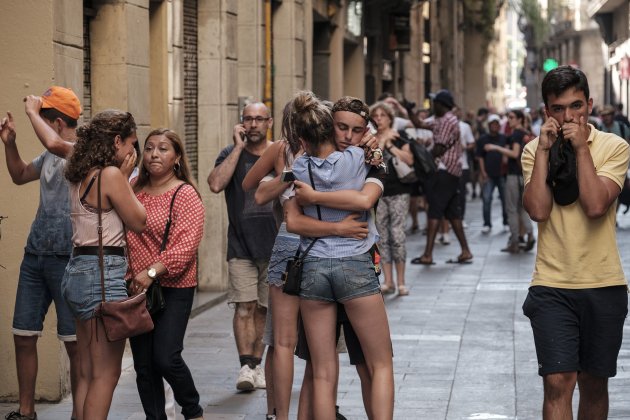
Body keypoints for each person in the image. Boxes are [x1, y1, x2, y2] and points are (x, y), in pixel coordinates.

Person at [241, 96, 381, 420]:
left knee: (286, 344)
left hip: (293, 246)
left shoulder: (283, 150)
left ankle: (281, 416)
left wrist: (287, 175)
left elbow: (253, 187)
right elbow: (259, 191)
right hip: (315, 248)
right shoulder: (336, 153)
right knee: (318, 352)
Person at [522, 65, 630, 419]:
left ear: (590, 105)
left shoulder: (614, 146)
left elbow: (596, 205)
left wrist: (582, 149)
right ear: (546, 111)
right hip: (551, 284)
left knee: (594, 383)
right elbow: (538, 210)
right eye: (558, 108)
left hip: (604, 284)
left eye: (577, 106)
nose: (569, 116)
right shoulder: (533, 151)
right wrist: (543, 151)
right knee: (558, 380)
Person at [285, 90, 394, 420]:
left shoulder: (299, 166)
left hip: (314, 267)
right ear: (329, 127)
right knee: (382, 364)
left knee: (322, 372)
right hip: (354, 265)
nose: (348, 136)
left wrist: (315, 196)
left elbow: (291, 216)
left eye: (356, 130)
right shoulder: (361, 159)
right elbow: (364, 200)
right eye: (341, 128)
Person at [0, 86, 82, 420]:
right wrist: (10, 144)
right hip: (36, 255)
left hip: (68, 258)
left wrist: (32, 112)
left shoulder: (78, 150)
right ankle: (26, 411)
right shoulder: (49, 155)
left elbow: (53, 144)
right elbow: (20, 175)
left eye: (45, 117)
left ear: (57, 122)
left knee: (74, 344)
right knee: (23, 334)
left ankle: (81, 412)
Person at [61, 110, 146, 420]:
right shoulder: (110, 176)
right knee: (106, 375)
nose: (133, 153)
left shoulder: (80, 173)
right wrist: (125, 177)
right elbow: (139, 220)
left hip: (78, 271)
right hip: (102, 272)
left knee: (85, 371)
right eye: (132, 144)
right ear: (117, 141)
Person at [126, 128, 205, 420]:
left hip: (174, 287)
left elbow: (187, 245)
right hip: (135, 289)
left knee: (165, 357)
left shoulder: (185, 193)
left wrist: (151, 271)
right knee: (144, 367)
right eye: (149, 148)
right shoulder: (132, 188)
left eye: (162, 149)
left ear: (177, 158)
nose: (154, 155)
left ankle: (193, 411)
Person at [207, 102, 277, 393]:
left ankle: (257, 365)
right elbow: (215, 184)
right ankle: (246, 367)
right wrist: (237, 148)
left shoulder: (278, 153)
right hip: (241, 245)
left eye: (259, 119)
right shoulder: (229, 154)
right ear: (241, 123)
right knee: (244, 306)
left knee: (263, 308)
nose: (253, 125)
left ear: (269, 122)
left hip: (275, 247)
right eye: (248, 119)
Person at [411, 89, 473, 265]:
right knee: (452, 213)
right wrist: (408, 110)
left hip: (444, 171)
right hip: (452, 172)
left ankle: (428, 255)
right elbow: (420, 124)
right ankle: (466, 251)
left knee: (434, 211)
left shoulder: (447, 121)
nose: (432, 105)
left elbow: (439, 148)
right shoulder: (440, 119)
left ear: (441, 105)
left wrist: (423, 157)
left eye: (435, 102)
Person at [369, 101, 413, 295]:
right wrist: (380, 141)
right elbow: (369, 159)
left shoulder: (399, 136)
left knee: (397, 234)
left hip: (398, 191)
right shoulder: (369, 139)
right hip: (378, 193)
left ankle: (401, 281)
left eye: (383, 116)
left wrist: (389, 144)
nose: (379, 119)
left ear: (390, 118)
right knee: (382, 236)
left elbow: (409, 159)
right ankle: (388, 281)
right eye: (376, 116)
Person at [483, 109, 534, 253]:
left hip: (514, 175)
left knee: (511, 209)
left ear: (519, 119)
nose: (509, 120)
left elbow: (514, 154)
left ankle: (515, 241)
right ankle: (529, 235)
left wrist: (495, 147)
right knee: (521, 208)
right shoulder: (526, 133)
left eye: (512, 117)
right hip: (524, 175)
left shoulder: (516, 135)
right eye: (508, 117)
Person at [476, 114, 508, 234]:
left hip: (502, 174)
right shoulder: (483, 139)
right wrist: (483, 172)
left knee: (505, 199)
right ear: (489, 125)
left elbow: (507, 151)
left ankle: (506, 222)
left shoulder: (503, 138)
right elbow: (480, 157)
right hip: (488, 174)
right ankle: (487, 224)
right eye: (492, 124)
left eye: (496, 124)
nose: (494, 126)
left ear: (499, 125)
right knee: (487, 199)